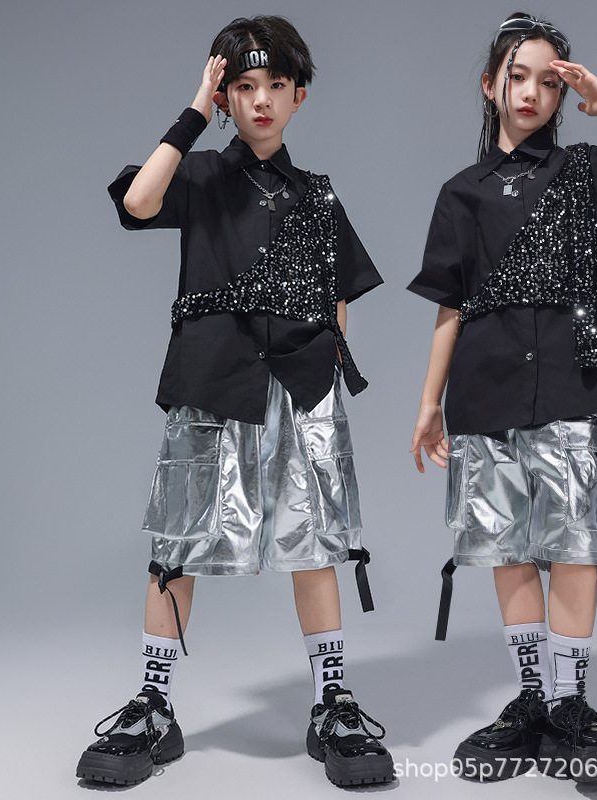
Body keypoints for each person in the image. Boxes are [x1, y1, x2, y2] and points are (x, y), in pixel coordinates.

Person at [76, 15, 394, 788]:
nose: (260, 100)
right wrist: (194, 109)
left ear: (298, 95)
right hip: (212, 381)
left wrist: (323, 380)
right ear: (226, 97)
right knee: (175, 544)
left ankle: (332, 703)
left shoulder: (318, 196)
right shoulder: (197, 178)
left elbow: (339, 296)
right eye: (243, 87)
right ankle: (154, 706)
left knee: (315, 544)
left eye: (275, 85)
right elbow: (138, 202)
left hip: (300, 391)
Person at [408, 12, 597, 784]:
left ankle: (570, 703)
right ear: (490, 84)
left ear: (564, 93)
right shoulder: (461, 193)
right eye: (518, 76)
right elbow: (449, 305)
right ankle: (534, 698)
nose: (531, 91)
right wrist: (429, 403)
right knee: (507, 551)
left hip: (573, 385)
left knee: (573, 546)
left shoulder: (594, 171)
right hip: (484, 389)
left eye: (548, 80)